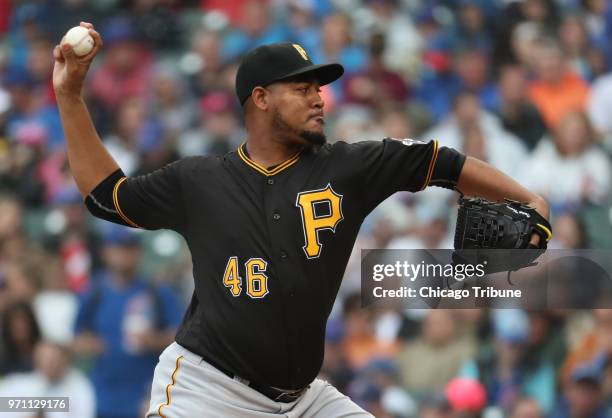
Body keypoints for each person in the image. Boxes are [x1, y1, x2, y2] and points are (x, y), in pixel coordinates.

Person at [52, 22, 550, 418]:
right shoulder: (199, 181)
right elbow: (106, 197)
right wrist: (71, 98)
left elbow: (441, 162)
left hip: (302, 399)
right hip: (208, 393)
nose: (319, 98)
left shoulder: (349, 166)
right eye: (303, 88)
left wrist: (529, 198)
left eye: (320, 88)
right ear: (261, 99)